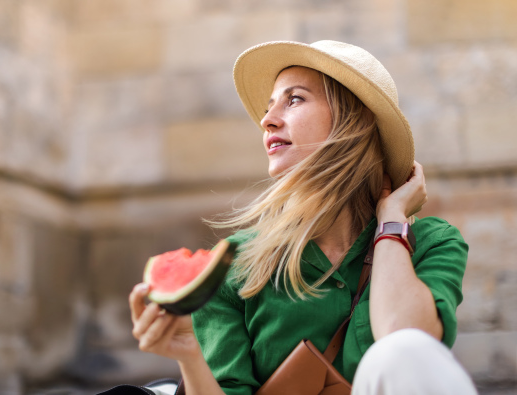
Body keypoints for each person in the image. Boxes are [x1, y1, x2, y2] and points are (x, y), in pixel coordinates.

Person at [129, 40, 478, 395]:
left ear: (351, 120)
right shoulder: (235, 263)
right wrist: (190, 356)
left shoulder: (432, 242)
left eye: (294, 99)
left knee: (402, 350)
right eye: (269, 107)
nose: (267, 120)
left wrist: (391, 224)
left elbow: (408, 344)